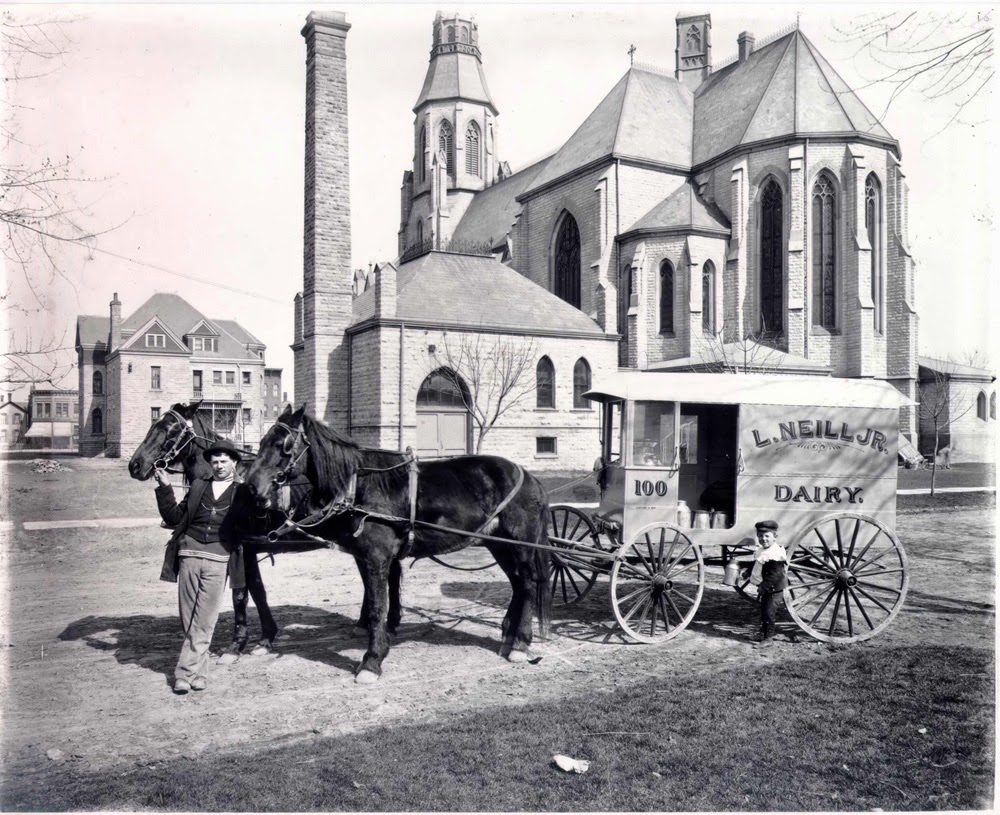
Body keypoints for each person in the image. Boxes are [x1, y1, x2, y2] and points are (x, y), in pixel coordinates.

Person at [153, 438, 247, 694]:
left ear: (234, 463)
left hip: (219, 559)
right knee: (188, 618)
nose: (218, 466)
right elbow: (173, 517)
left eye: (224, 461)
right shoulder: (197, 486)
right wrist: (164, 489)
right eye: (214, 461)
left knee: (205, 620)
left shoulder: (243, 492)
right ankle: (199, 673)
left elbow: (253, 524)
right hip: (189, 555)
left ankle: (183, 674)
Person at [748, 519, 789, 643]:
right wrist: (747, 572)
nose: (763, 539)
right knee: (764, 612)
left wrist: (763, 587)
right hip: (768, 589)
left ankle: (768, 638)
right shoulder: (762, 550)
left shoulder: (775, 553)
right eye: (760, 536)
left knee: (769, 614)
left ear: (774, 537)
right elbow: (758, 563)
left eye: (767, 536)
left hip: (774, 589)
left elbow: (774, 575)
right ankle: (762, 634)